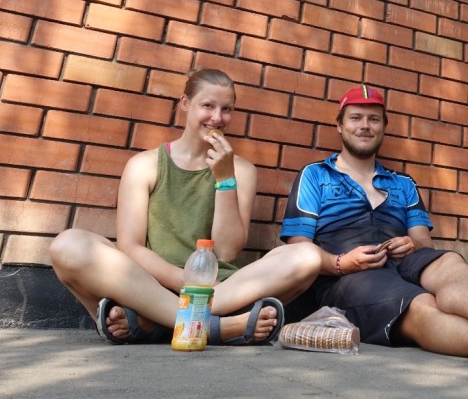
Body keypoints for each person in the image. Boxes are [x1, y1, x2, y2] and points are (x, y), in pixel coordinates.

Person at [281, 85, 468, 367]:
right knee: (420, 303)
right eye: (356, 118)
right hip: (348, 273)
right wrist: (341, 262)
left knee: (448, 263)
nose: (365, 125)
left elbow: (423, 241)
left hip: (402, 256)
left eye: (374, 119)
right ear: (340, 126)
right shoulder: (315, 175)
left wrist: (413, 245)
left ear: (383, 127)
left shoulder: (403, 184)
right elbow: (297, 250)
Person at [50, 68, 322, 345]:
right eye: (208, 105)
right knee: (67, 245)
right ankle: (212, 328)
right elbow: (131, 247)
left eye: (226, 109)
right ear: (185, 103)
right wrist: (184, 283)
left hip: (222, 292)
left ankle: (154, 324)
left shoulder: (241, 170)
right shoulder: (144, 165)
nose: (217, 118)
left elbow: (226, 251)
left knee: (307, 256)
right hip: (151, 287)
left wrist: (225, 180)